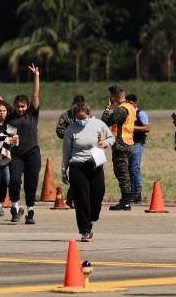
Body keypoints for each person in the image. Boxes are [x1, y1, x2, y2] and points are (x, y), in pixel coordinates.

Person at [62, 101, 113, 242]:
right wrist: (64, 170)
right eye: (78, 118)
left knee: (98, 194)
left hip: (95, 164)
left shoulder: (98, 124)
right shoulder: (70, 129)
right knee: (81, 199)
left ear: (89, 114)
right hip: (77, 166)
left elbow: (111, 138)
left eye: (83, 118)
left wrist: (104, 143)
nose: (81, 120)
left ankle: (91, 218)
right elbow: (66, 151)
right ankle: (84, 229)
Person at [6, 64, 41, 225]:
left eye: (23, 106)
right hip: (16, 154)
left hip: (32, 153)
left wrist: (36, 77)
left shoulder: (32, 114)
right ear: (14, 106)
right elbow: (5, 135)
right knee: (14, 181)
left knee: (31, 182)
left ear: (27, 106)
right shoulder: (10, 118)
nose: (20, 109)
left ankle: (30, 211)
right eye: (18, 106)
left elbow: (35, 94)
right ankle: (14, 207)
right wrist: (9, 140)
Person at [100, 85, 137, 211]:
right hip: (129, 143)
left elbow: (105, 121)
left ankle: (126, 202)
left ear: (114, 96)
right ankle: (125, 199)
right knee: (125, 173)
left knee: (122, 174)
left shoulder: (121, 110)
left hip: (121, 145)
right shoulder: (131, 107)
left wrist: (107, 108)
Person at [129, 93, 150, 204]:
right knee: (129, 169)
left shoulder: (140, 113)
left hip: (137, 143)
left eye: (130, 103)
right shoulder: (126, 114)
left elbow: (147, 128)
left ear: (135, 103)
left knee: (134, 168)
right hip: (127, 143)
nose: (128, 105)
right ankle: (132, 193)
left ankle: (137, 193)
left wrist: (133, 128)